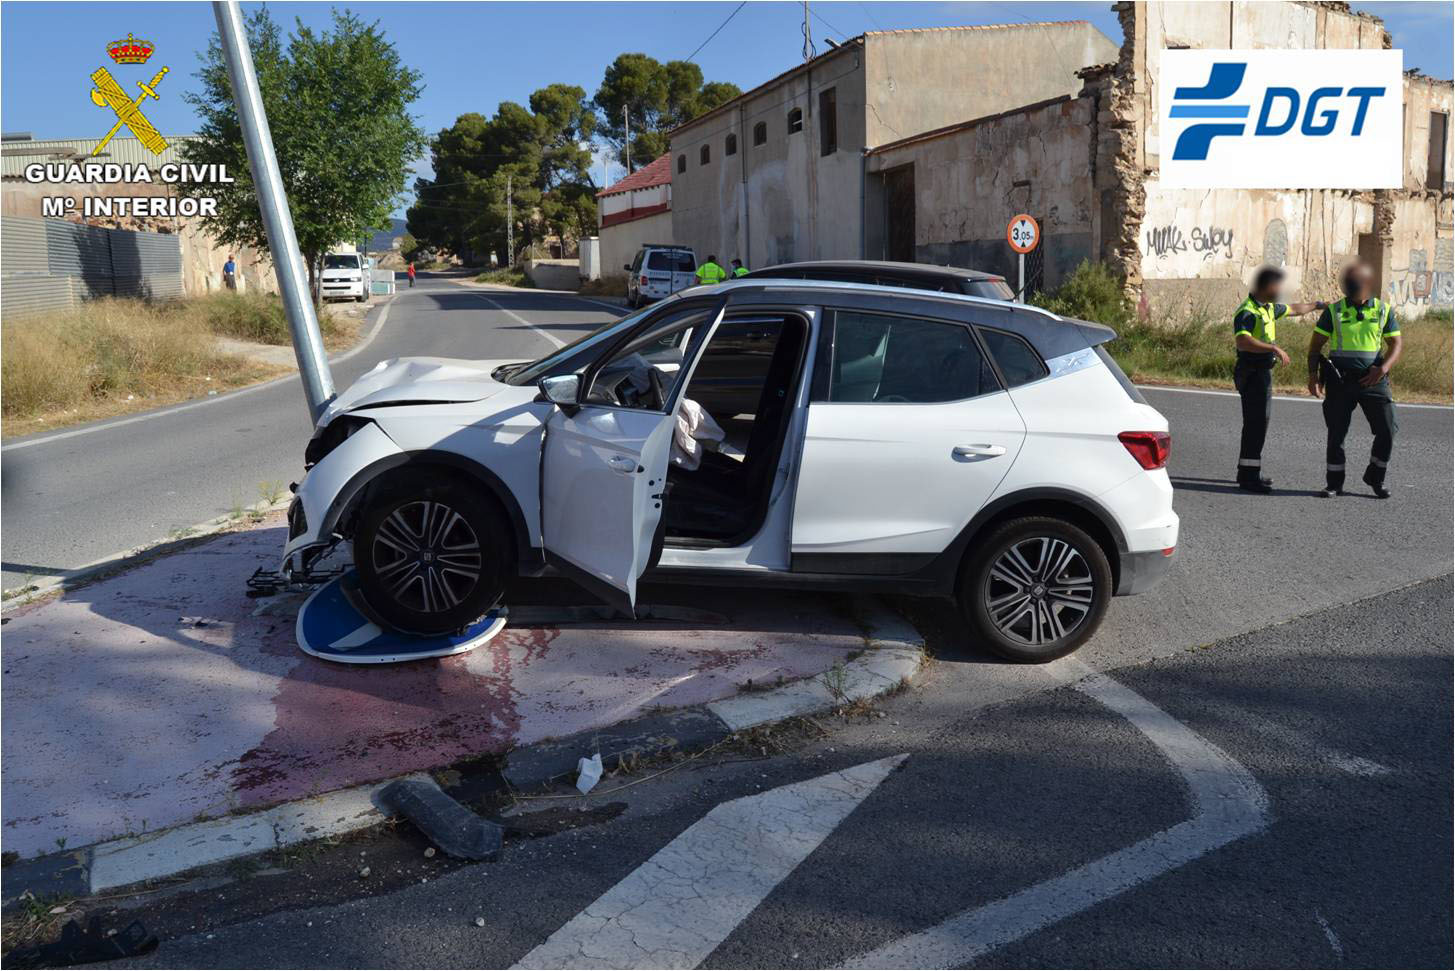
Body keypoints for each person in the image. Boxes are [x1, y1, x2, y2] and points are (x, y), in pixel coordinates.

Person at [1307, 262, 1401, 499]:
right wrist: (1313, 376)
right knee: (1336, 434)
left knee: (1388, 429)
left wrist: (1382, 369)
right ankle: (1334, 484)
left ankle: (1375, 477)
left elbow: (1396, 344)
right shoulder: (1333, 311)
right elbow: (1316, 345)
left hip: (1373, 379)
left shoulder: (1383, 311)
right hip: (1340, 381)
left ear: (1368, 285)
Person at [1231, 266, 1325, 493]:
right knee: (1256, 423)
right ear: (1266, 287)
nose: (1279, 290)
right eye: (1276, 286)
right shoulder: (1248, 311)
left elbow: (1294, 309)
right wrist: (1273, 347)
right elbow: (1242, 341)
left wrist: (1318, 306)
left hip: (1262, 372)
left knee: (1258, 423)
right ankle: (1249, 478)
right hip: (1251, 371)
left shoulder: (1268, 309)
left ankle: (1248, 471)